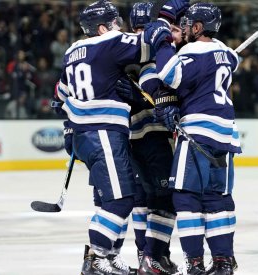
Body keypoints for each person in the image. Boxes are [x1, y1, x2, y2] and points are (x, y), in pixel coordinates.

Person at [53, 1, 187, 274]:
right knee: (121, 201)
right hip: (103, 133)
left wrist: (70, 127)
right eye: (114, 22)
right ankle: (96, 257)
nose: (119, 26)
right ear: (102, 27)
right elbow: (150, 41)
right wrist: (165, 16)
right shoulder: (110, 42)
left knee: (118, 197)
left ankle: (109, 256)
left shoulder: (71, 51)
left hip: (87, 135)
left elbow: (60, 95)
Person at [143, 3, 241, 274]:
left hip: (197, 132)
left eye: (187, 25)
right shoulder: (225, 54)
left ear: (198, 28)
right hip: (226, 134)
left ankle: (195, 263)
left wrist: (163, 43)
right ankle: (223, 262)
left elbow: (170, 74)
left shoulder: (194, 51)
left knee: (186, 199)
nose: (183, 29)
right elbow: (233, 60)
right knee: (218, 199)